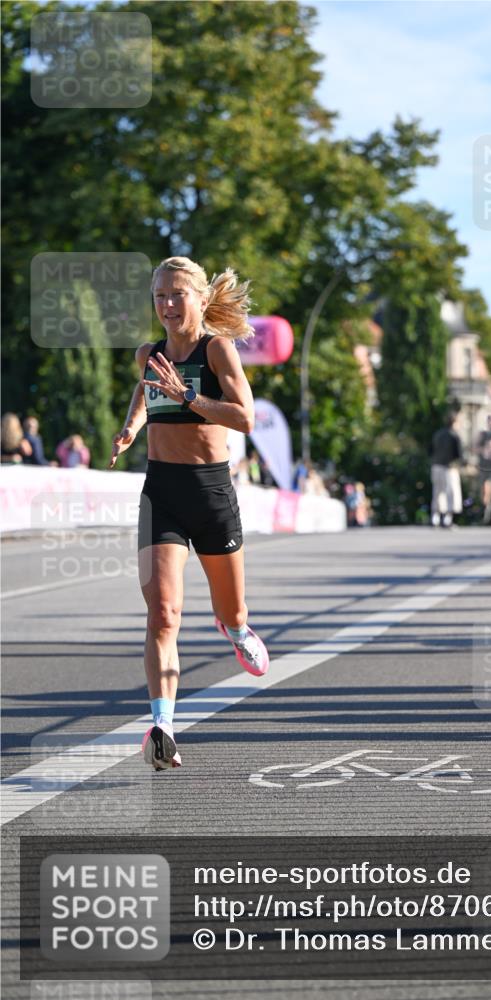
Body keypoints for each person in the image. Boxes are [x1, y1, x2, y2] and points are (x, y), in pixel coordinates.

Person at [109, 256, 270, 771]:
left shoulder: (216, 349)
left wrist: (189, 396)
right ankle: (162, 727)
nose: (168, 305)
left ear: (201, 299)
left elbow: (245, 418)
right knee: (163, 613)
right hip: (163, 493)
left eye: (178, 294)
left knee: (233, 612)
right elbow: (144, 388)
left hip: (211, 493)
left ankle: (237, 629)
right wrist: (132, 427)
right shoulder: (149, 353)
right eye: (160, 296)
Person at [430, 412, 463, 528]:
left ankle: (436, 517)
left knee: (438, 492)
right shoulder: (454, 435)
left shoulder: (438, 434)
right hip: (449, 467)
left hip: (436, 466)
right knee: (451, 493)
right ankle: (448, 518)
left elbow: (430, 450)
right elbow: (459, 454)